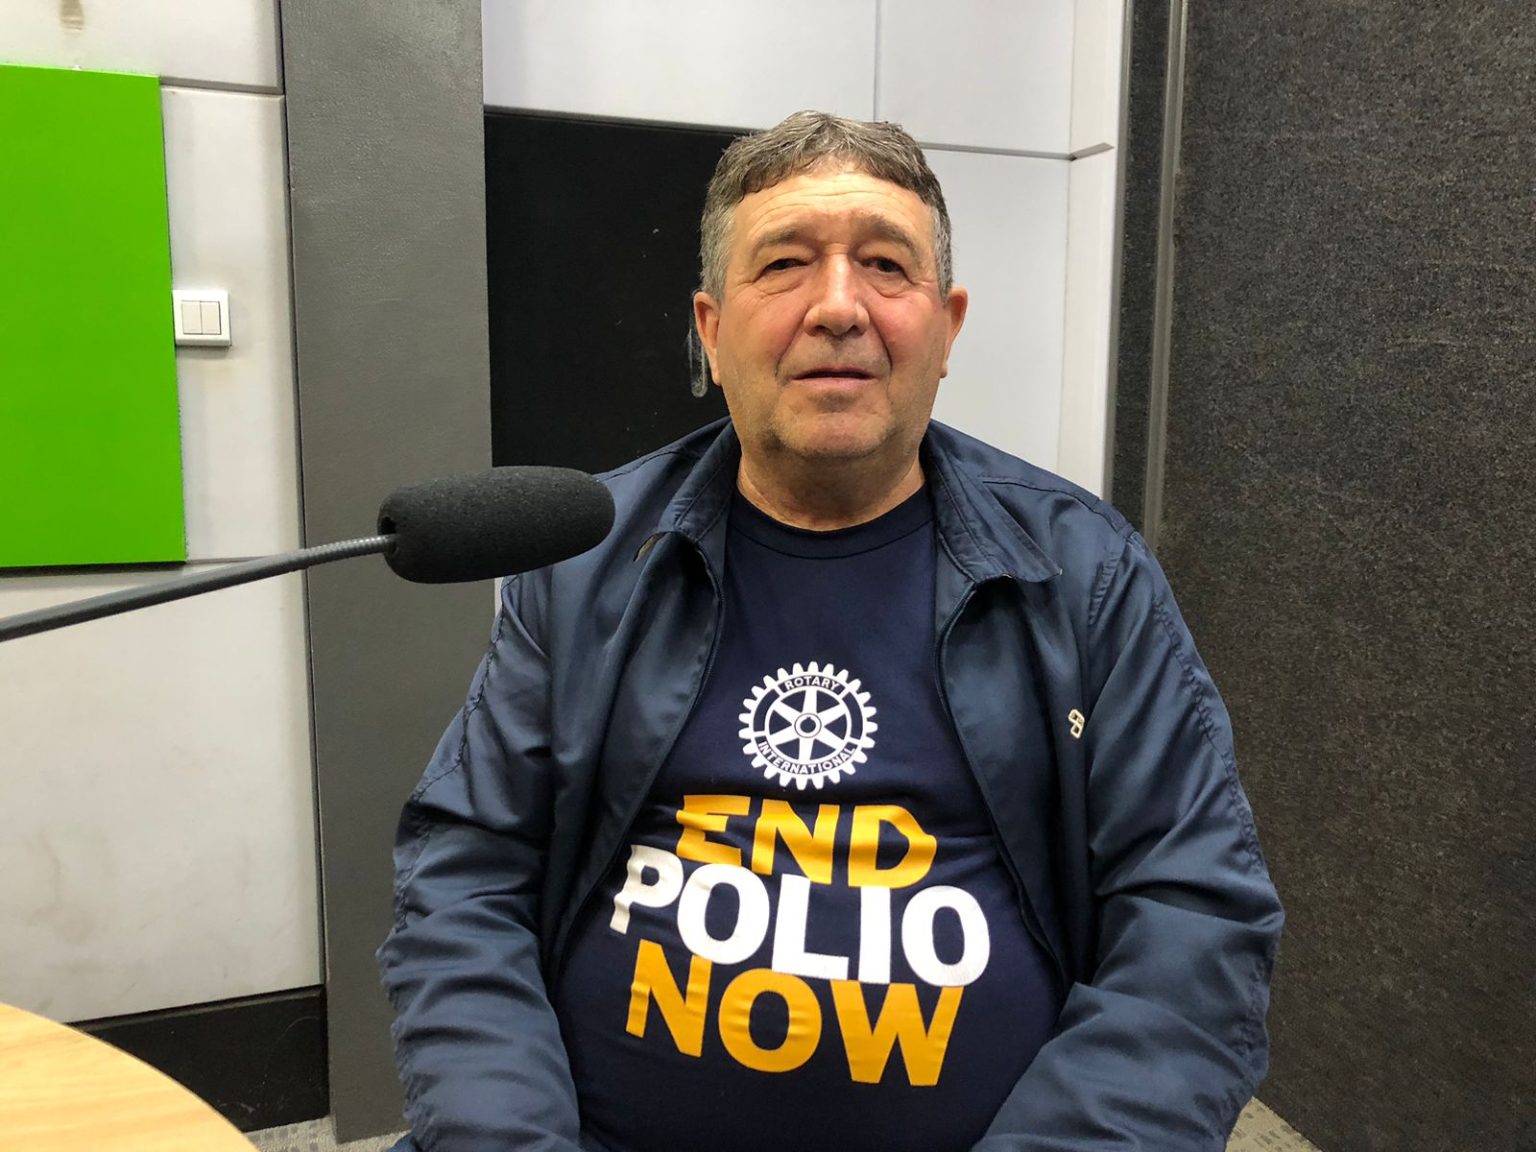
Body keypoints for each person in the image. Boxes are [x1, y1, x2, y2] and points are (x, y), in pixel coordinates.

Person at [378, 110, 1284, 1152]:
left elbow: (1194, 920)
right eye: (785, 264)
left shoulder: (1086, 576)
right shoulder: (586, 562)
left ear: (947, 329)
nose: (840, 307)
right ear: (712, 330)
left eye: (886, 265)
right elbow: (466, 878)